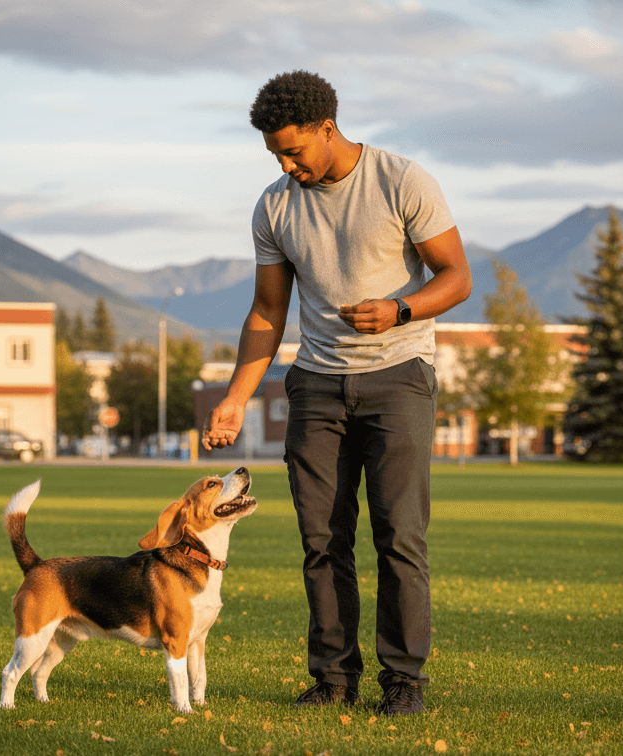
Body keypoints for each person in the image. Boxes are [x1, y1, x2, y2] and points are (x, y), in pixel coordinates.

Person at [202, 70, 472, 716]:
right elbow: (268, 313)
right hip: (317, 384)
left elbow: (457, 276)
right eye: (276, 155)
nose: (287, 166)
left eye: (294, 151)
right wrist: (237, 394)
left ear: (328, 128)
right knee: (321, 539)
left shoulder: (402, 181)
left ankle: (403, 682)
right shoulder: (274, 207)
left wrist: (401, 310)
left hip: (399, 377)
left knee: (399, 534)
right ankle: (332, 679)